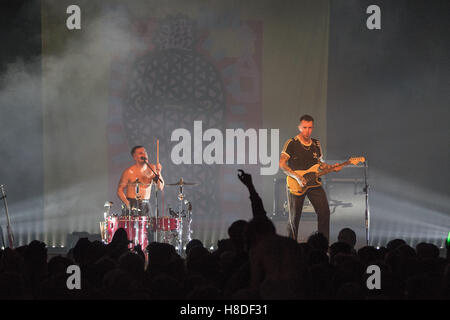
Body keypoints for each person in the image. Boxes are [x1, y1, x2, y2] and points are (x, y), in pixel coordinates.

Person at [279, 115, 341, 241]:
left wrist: (332, 168)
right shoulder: (291, 143)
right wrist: (296, 177)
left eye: (310, 128)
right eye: (304, 127)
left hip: (314, 183)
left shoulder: (316, 144)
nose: (307, 130)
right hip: (297, 184)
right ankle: (292, 246)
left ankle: (322, 244)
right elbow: (282, 164)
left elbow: (320, 164)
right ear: (299, 127)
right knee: (294, 218)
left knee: (324, 212)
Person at [117, 145, 164, 216]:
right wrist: (127, 203)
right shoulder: (129, 171)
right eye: (140, 153)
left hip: (145, 204)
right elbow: (120, 190)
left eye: (145, 152)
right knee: (131, 226)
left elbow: (160, 187)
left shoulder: (152, 168)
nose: (144, 155)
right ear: (135, 157)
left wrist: (159, 172)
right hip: (132, 203)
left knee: (148, 226)